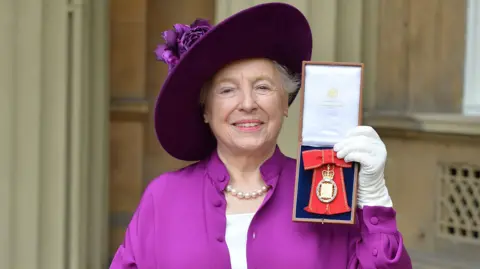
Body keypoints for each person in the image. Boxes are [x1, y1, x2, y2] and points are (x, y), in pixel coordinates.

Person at [110, 3, 412, 269]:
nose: (247, 103)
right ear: (206, 110)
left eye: (263, 87)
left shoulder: (326, 191)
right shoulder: (163, 197)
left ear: (285, 103)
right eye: (227, 90)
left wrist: (375, 202)